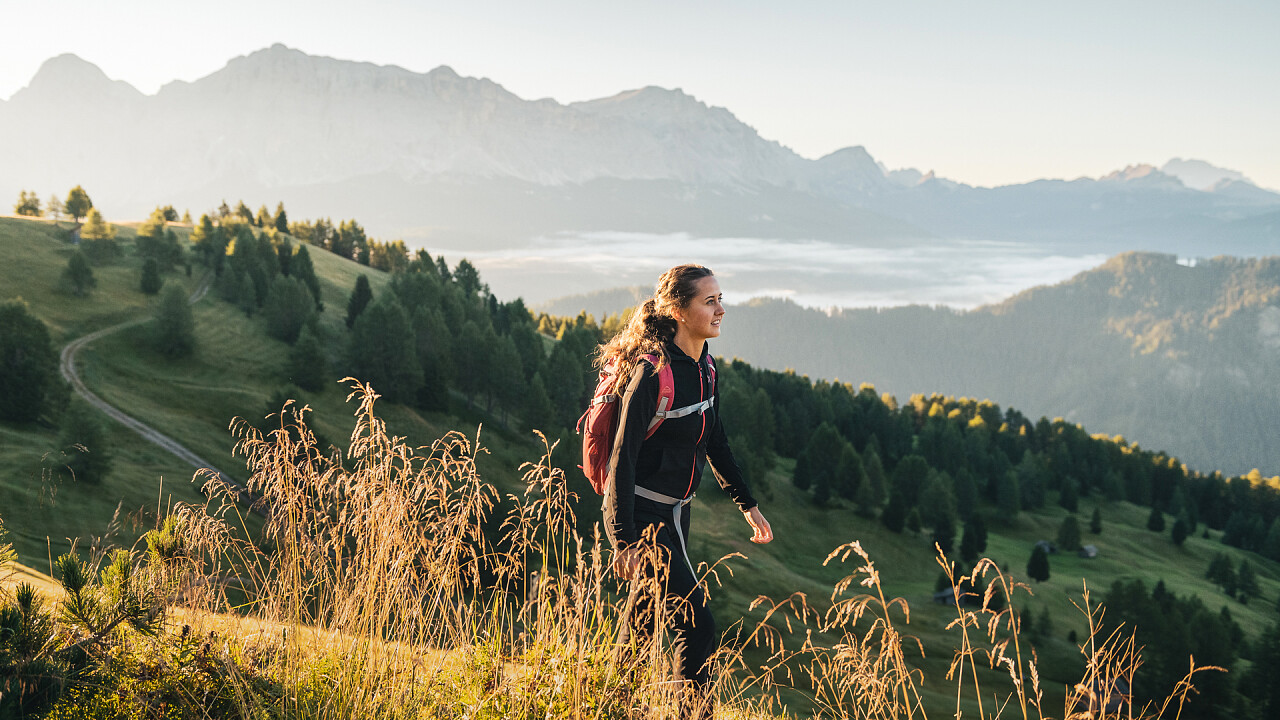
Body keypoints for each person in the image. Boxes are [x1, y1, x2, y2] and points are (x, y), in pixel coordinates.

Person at [598, 263, 773, 713]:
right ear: (677, 309)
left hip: (678, 515)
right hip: (647, 519)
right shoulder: (653, 373)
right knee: (697, 628)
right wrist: (623, 539)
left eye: (721, 299)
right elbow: (622, 458)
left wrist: (747, 504)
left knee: (642, 622)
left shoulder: (705, 368)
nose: (721, 309)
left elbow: (715, 439)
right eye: (709, 301)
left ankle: (613, 706)